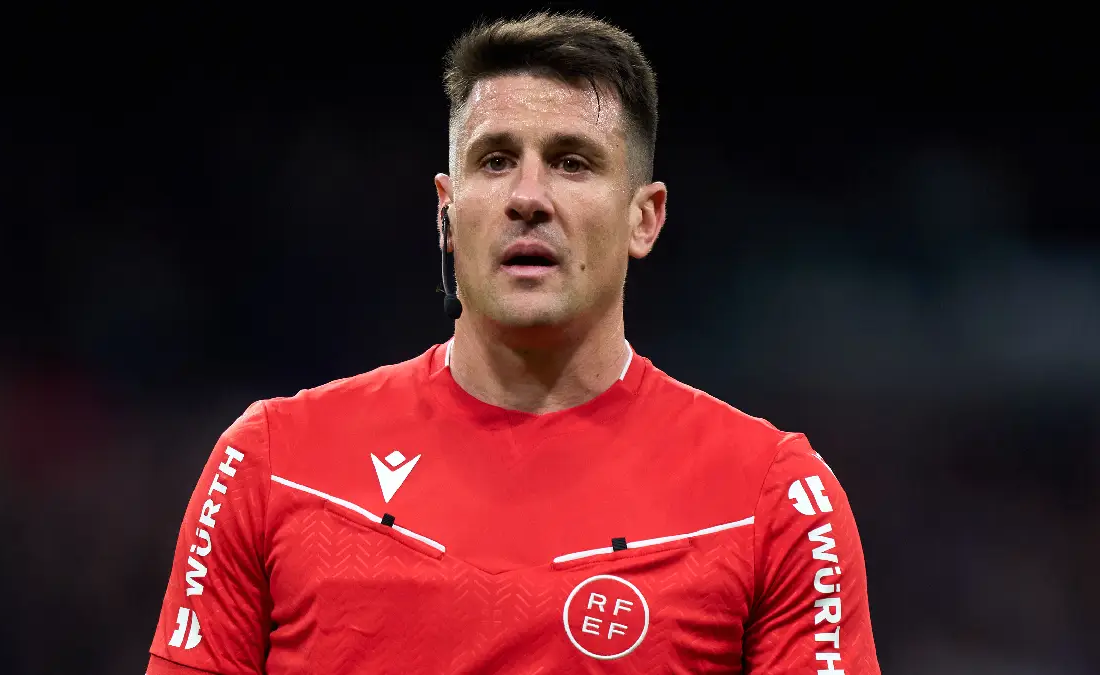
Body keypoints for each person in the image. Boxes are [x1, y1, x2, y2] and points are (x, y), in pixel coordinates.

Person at [146, 11, 880, 674]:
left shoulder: (772, 500)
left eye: (572, 161)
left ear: (644, 218)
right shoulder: (274, 463)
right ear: (446, 212)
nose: (529, 197)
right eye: (496, 159)